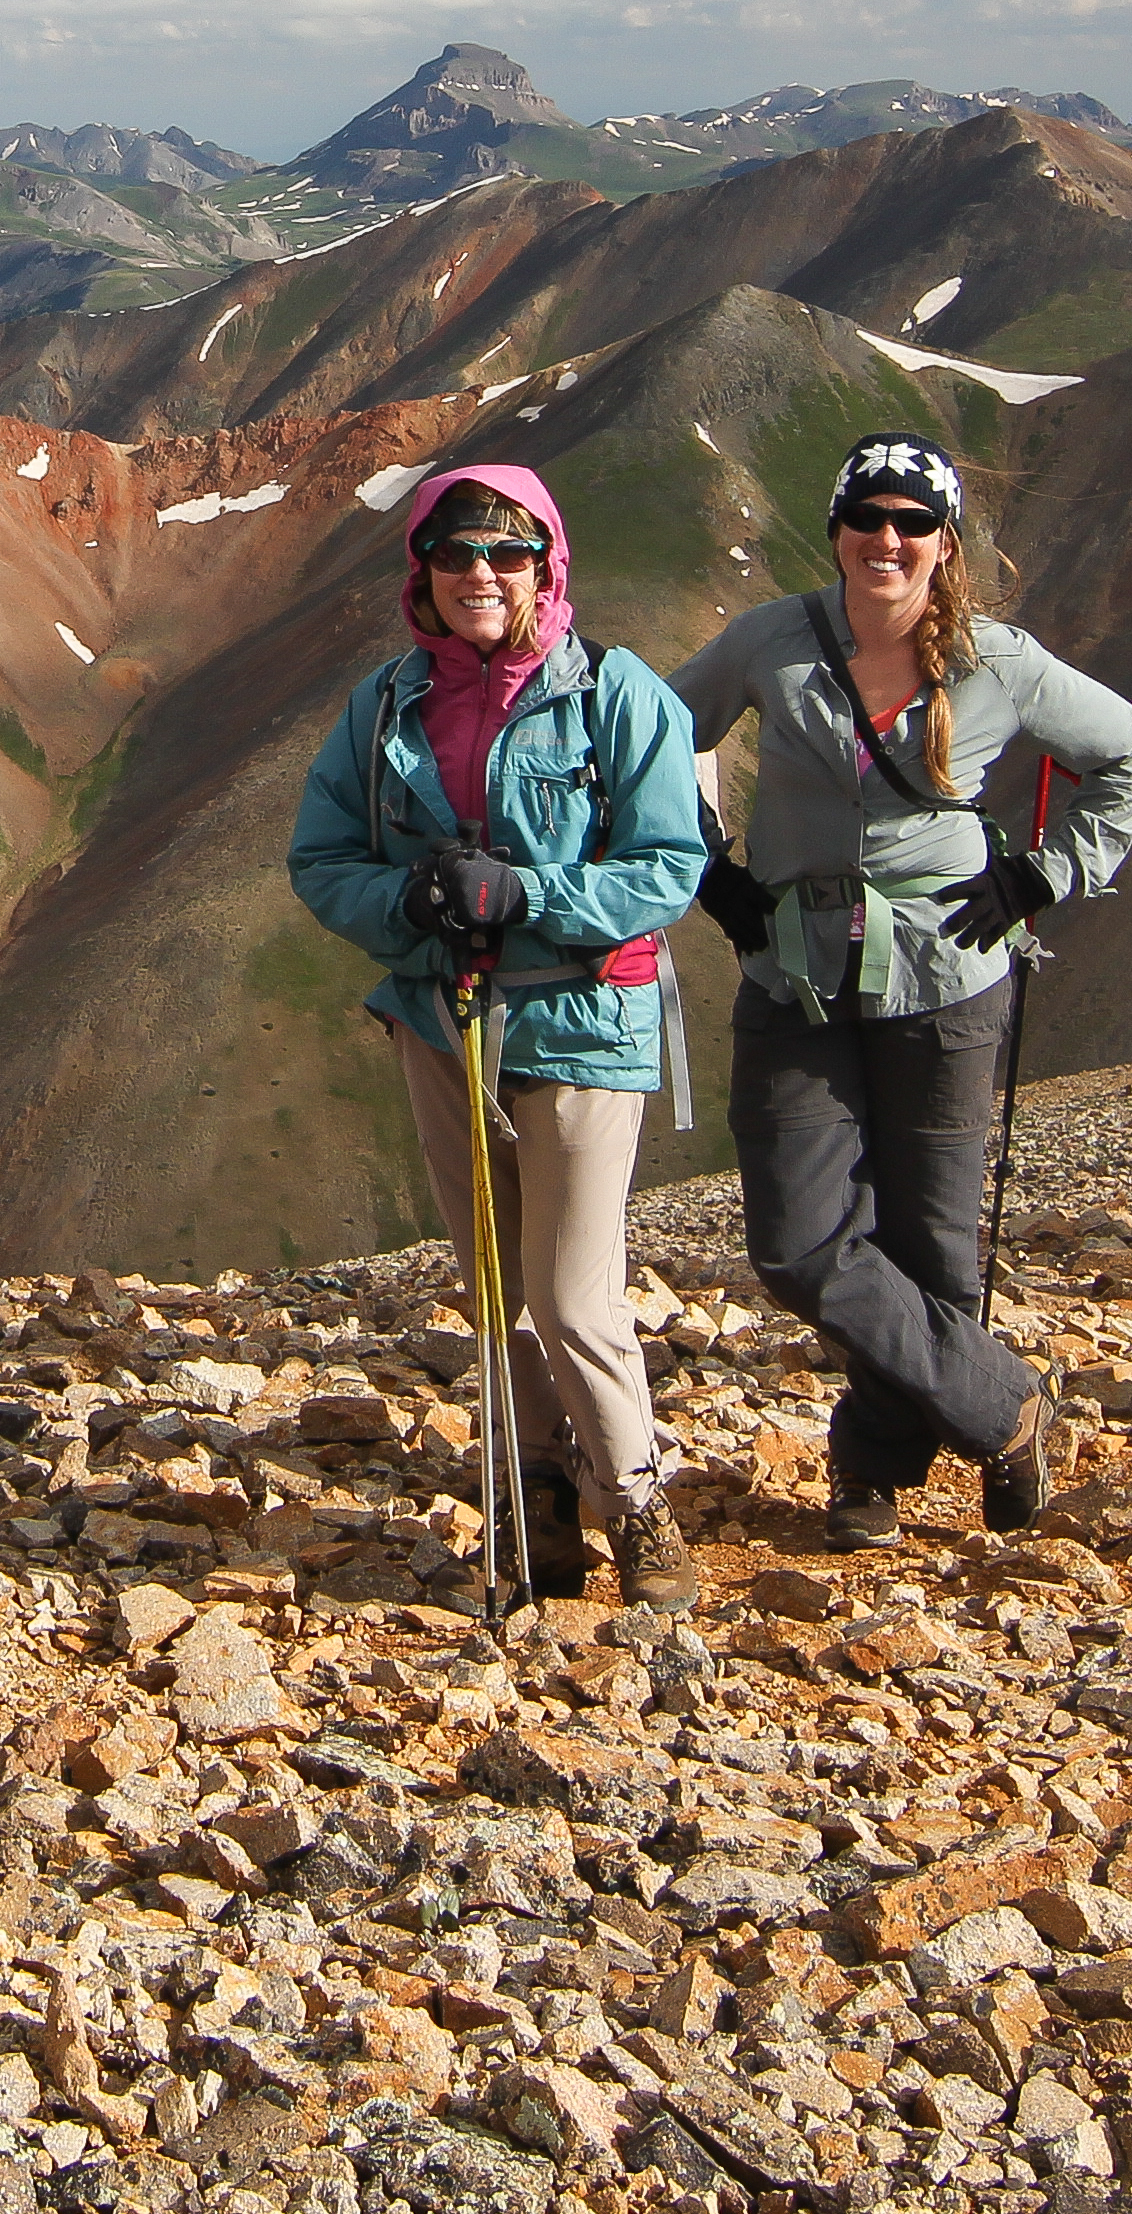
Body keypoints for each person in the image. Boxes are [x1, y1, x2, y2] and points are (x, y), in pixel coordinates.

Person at [668, 435, 1132, 1543]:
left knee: (935, 1246)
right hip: (795, 973)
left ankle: (873, 1469)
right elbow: (654, 738)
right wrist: (710, 870)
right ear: (837, 528)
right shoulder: (772, 640)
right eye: (867, 518)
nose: (886, 540)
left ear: (944, 544)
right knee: (798, 1242)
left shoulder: (997, 659)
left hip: (949, 974)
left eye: (911, 523)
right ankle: (1007, 1408)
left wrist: (1046, 875)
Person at [288, 468, 715, 1604]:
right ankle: (539, 1509)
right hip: (440, 1019)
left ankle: (635, 1501)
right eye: (458, 551)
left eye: (508, 554)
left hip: (581, 1020)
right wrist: (411, 905)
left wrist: (526, 897)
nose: (482, 572)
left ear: (545, 566)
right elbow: (322, 860)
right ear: (422, 570)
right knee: (493, 1288)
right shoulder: (383, 706)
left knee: (572, 1294)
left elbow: (670, 865)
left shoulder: (619, 696)